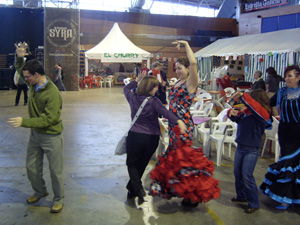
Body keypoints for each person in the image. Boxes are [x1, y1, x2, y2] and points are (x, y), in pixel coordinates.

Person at [149, 40, 220, 207]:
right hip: (174, 126)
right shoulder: (178, 83)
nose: (178, 71)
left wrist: (187, 44)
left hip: (184, 126)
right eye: (177, 68)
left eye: (180, 68)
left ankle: (191, 194)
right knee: (177, 159)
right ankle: (181, 191)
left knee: (184, 159)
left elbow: (194, 62)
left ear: (188, 69)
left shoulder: (190, 83)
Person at [8, 42, 64, 213]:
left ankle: (58, 199)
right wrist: (19, 57)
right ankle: (40, 191)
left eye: (28, 77)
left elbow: (49, 119)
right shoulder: (33, 84)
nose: (25, 79)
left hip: (51, 136)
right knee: (31, 167)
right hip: (35, 135)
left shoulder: (52, 92)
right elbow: (20, 70)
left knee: (55, 171)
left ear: (37, 74)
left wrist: (25, 122)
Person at [124, 72, 186, 206]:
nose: (157, 89)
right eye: (155, 87)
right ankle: (133, 189)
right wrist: (179, 122)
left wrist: (137, 80)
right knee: (141, 164)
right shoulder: (154, 102)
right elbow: (166, 113)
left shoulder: (132, 97)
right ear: (149, 88)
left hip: (135, 136)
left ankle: (138, 189)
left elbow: (125, 88)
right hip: (151, 139)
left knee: (132, 164)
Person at [260, 65, 300, 210]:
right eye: (286, 75)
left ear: (298, 77)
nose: (287, 78)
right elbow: (267, 104)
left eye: (290, 76)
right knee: (287, 163)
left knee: (294, 164)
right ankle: (286, 197)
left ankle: (288, 198)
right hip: (284, 132)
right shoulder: (282, 92)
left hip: (298, 133)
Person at [228, 90, 271, 214]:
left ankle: (253, 203)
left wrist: (244, 96)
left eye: (250, 98)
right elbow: (238, 120)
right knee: (238, 173)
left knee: (247, 176)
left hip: (252, 149)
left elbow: (255, 108)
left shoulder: (262, 113)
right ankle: (241, 196)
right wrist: (232, 114)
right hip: (241, 146)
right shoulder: (247, 111)